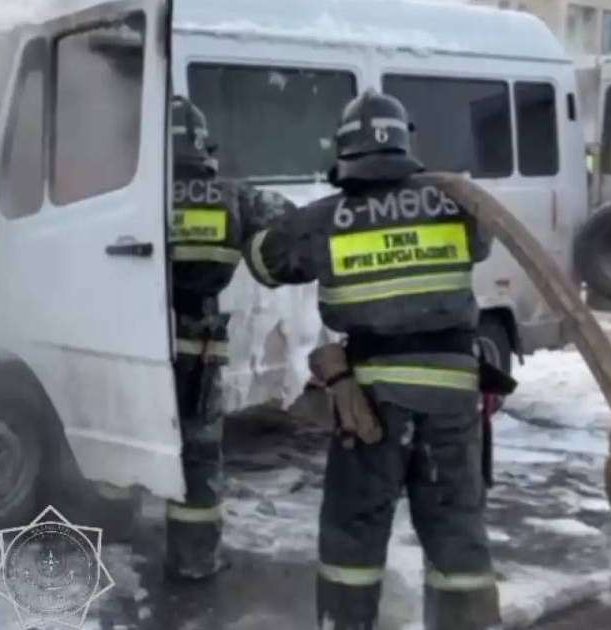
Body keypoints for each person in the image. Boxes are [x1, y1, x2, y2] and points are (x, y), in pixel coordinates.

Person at [239, 89, 500, 629]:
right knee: (457, 535)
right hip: (453, 396)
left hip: (375, 402)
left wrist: (264, 213)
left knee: (353, 534)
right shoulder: (455, 200)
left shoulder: (328, 219)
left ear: (345, 152)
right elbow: (483, 243)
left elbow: (266, 263)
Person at [164, 95, 294, 580]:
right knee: (198, 457)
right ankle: (195, 558)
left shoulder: (138, 194)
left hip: (136, 342)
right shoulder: (236, 197)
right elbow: (290, 224)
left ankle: (109, 532)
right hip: (200, 349)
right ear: (203, 146)